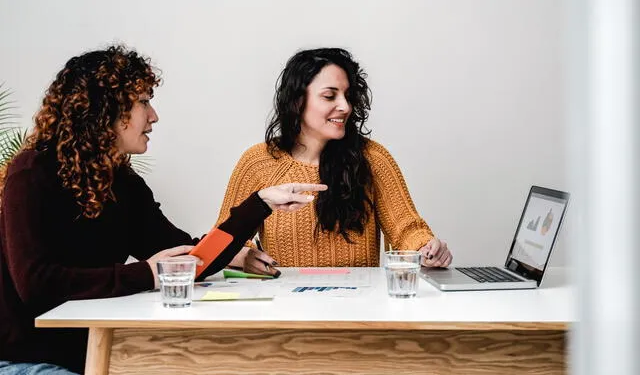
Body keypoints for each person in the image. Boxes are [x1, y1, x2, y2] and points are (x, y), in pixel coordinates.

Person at [0, 46, 326, 374]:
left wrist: (262, 203)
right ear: (105, 108)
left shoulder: (123, 183)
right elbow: (35, 285)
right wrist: (148, 273)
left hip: (92, 355)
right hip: (25, 359)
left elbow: (190, 259)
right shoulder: (30, 172)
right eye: (143, 101)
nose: (153, 115)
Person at [215, 47, 452, 276]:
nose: (345, 106)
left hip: (359, 305)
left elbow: (407, 229)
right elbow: (219, 240)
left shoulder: (373, 158)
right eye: (330, 96)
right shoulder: (258, 161)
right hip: (286, 306)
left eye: (348, 96)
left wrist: (426, 249)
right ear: (298, 101)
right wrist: (244, 256)